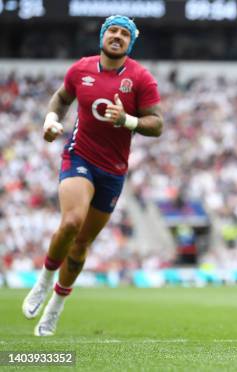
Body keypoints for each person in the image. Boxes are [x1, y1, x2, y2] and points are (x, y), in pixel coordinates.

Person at [22, 15, 163, 336]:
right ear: (102, 36)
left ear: (131, 43)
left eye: (124, 33)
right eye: (112, 30)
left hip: (113, 171)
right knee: (71, 222)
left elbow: (157, 123)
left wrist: (127, 120)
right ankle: (43, 282)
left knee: (82, 242)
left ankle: (56, 305)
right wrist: (50, 120)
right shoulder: (80, 69)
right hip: (79, 157)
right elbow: (61, 97)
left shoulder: (141, 78)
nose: (117, 36)